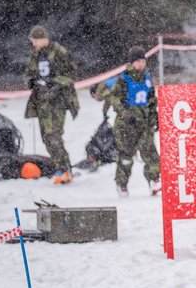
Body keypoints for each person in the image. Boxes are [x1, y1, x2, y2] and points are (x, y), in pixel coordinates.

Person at [92, 47, 161, 196]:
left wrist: (156, 118)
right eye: (138, 61)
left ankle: (154, 180)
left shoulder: (147, 78)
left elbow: (151, 100)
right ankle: (122, 184)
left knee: (150, 152)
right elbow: (114, 98)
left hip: (144, 122)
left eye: (143, 61)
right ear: (132, 63)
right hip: (126, 125)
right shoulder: (124, 79)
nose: (141, 64)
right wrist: (125, 113)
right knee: (126, 155)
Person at [23, 24, 79, 184]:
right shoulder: (35, 55)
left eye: (35, 40)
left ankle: (64, 167)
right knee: (46, 137)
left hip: (58, 101)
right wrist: (32, 82)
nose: (33, 43)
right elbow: (28, 74)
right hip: (41, 102)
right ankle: (61, 166)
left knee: (54, 134)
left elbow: (72, 73)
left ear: (42, 39)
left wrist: (55, 83)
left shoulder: (59, 52)